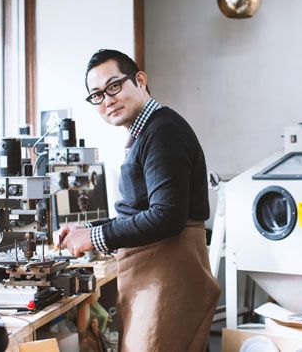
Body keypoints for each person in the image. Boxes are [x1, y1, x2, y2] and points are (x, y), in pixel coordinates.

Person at [60, 49, 221, 351]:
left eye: (114, 86)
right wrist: (87, 230)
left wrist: (94, 237)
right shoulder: (149, 131)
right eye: (97, 95)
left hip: (169, 271)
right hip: (159, 271)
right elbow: (143, 209)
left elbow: (166, 216)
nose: (107, 99)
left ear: (140, 80)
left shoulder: (163, 131)